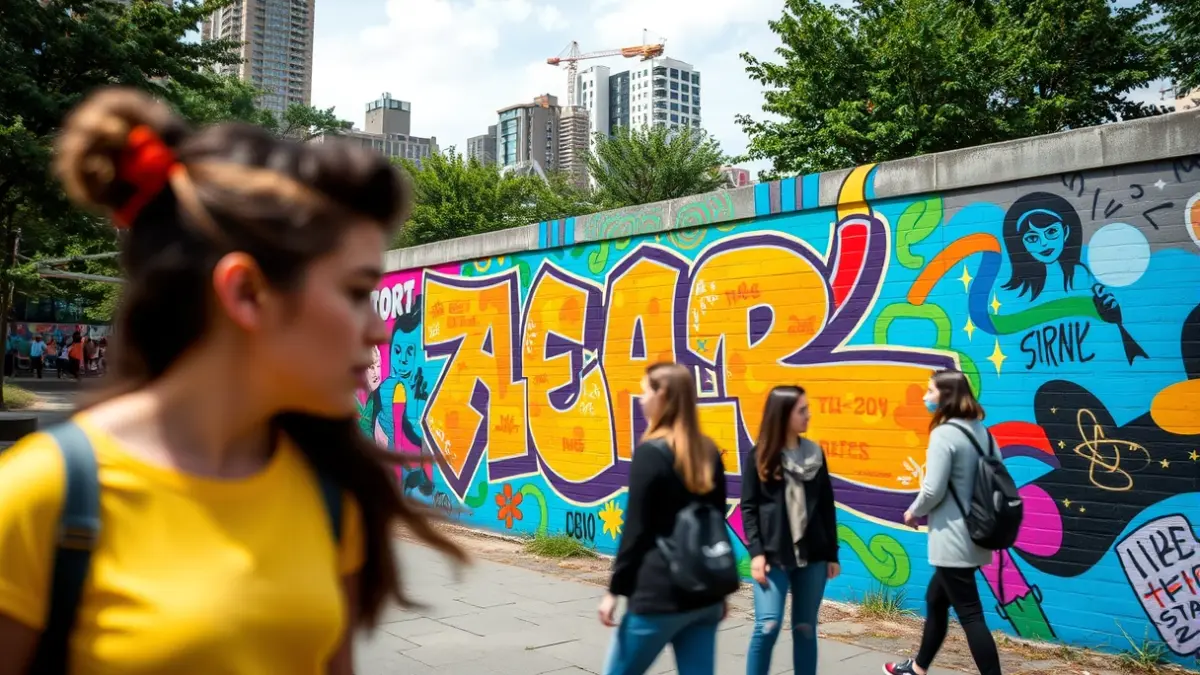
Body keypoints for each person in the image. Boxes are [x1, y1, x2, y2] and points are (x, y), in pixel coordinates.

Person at [0, 86, 467, 675]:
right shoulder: (37, 499)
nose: (379, 329)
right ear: (246, 292)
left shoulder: (334, 492)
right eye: (355, 292)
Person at [599, 362, 729, 675]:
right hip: (704, 596)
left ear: (663, 395)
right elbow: (715, 521)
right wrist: (719, 590)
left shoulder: (651, 452)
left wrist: (614, 591)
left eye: (645, 391)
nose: (640, 399)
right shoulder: (708, 450)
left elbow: (637, 530)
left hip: (660, 594)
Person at [884, 369, 1002, 675]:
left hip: (953, 538)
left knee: (971, 615)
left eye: (930, 391)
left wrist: (913, 511)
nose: (925, 397)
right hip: (979, 534)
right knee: (936, 599)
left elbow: (933, 489)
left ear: (946, 397)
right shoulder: (983, 433)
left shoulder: (944, 434)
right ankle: (919, 667)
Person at [741, 385, 840, 675]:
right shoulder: (759, 455)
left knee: (806, 628)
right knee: (768, 625)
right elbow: (749, 507)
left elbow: (826, 507)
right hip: (773, 557)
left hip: (814, 558)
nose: (808, 415)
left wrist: (832, 554)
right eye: (802, 410)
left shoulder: (814, 453)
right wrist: (756, 553)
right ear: (783, 414)